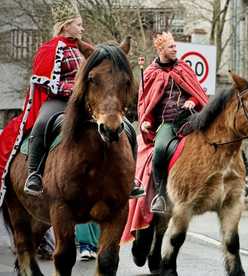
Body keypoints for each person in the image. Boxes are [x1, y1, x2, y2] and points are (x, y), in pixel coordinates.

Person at [0, 0, 143, 199]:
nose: (82, 27)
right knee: (42, 124)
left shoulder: (87, 49)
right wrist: (75, 90)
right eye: (78, 24)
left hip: (88, 102)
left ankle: (130, 178)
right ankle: (34, 174)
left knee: (125, 128)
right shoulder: (51, 49)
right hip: (59, 101)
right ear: (66, 25)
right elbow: (47, 84)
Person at [137, 32, 208, 214]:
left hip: (190, 119)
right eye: (171, 47)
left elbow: (197, 91)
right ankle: (161, 195)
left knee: (218, 135)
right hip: (167, 123)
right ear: (161, 50)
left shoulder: (184, 68)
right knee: (160, 150)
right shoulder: (150, 74)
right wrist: (146, 121)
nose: (175, 49)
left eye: (175, 46)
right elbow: (146, 103)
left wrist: (193, 100)